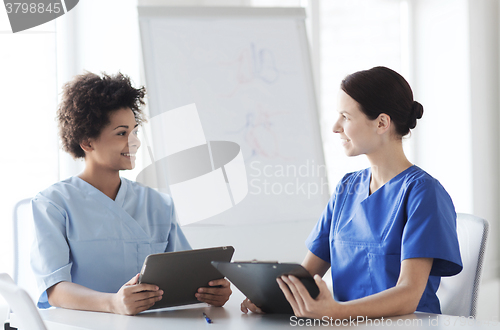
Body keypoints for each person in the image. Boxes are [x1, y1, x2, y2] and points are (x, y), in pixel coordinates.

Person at [241, 66, 462, 319]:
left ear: (381, 123)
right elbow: (307, 275)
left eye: (345, 116)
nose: (336, 127)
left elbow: (409, 295)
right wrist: (272, 296)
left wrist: (338, 312)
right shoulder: (347, 188)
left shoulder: (423, 193)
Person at [31, 72, 231, 316]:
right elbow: (54, 289)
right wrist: (113, 303)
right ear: (87, 142)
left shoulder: (158, 203)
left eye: (134, 131)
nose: (133, 142)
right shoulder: (53, 204)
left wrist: (211, 291)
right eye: (121, 133)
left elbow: (185, 275)